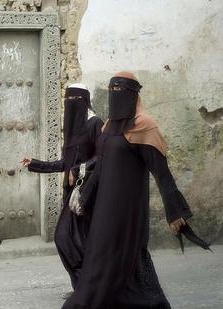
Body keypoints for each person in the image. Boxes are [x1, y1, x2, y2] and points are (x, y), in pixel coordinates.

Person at [62, 72, 210, 309]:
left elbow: (162, 173)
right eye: (112, 90)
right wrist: (85, 196)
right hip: (104, 207)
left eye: (121, 90)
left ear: (134, 94)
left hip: (128, 209)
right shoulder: (109, 126)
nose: (115, 95)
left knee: (123, 256)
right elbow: (101, 165)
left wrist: (174, 212)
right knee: (104, 255)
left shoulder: (145, 126)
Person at [21, 84, 103, 298]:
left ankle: (88, 288)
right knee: (73, 240)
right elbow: (64, 164)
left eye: (75, 98)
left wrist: (79, 169)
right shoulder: (73, 130)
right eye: (68, 99)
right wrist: (35, 164)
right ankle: (83, 288)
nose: (71, 103)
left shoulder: (95, 123)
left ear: (84, 101)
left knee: (66, 237)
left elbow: (103, 158)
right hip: (72, 195)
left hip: (88, 194)